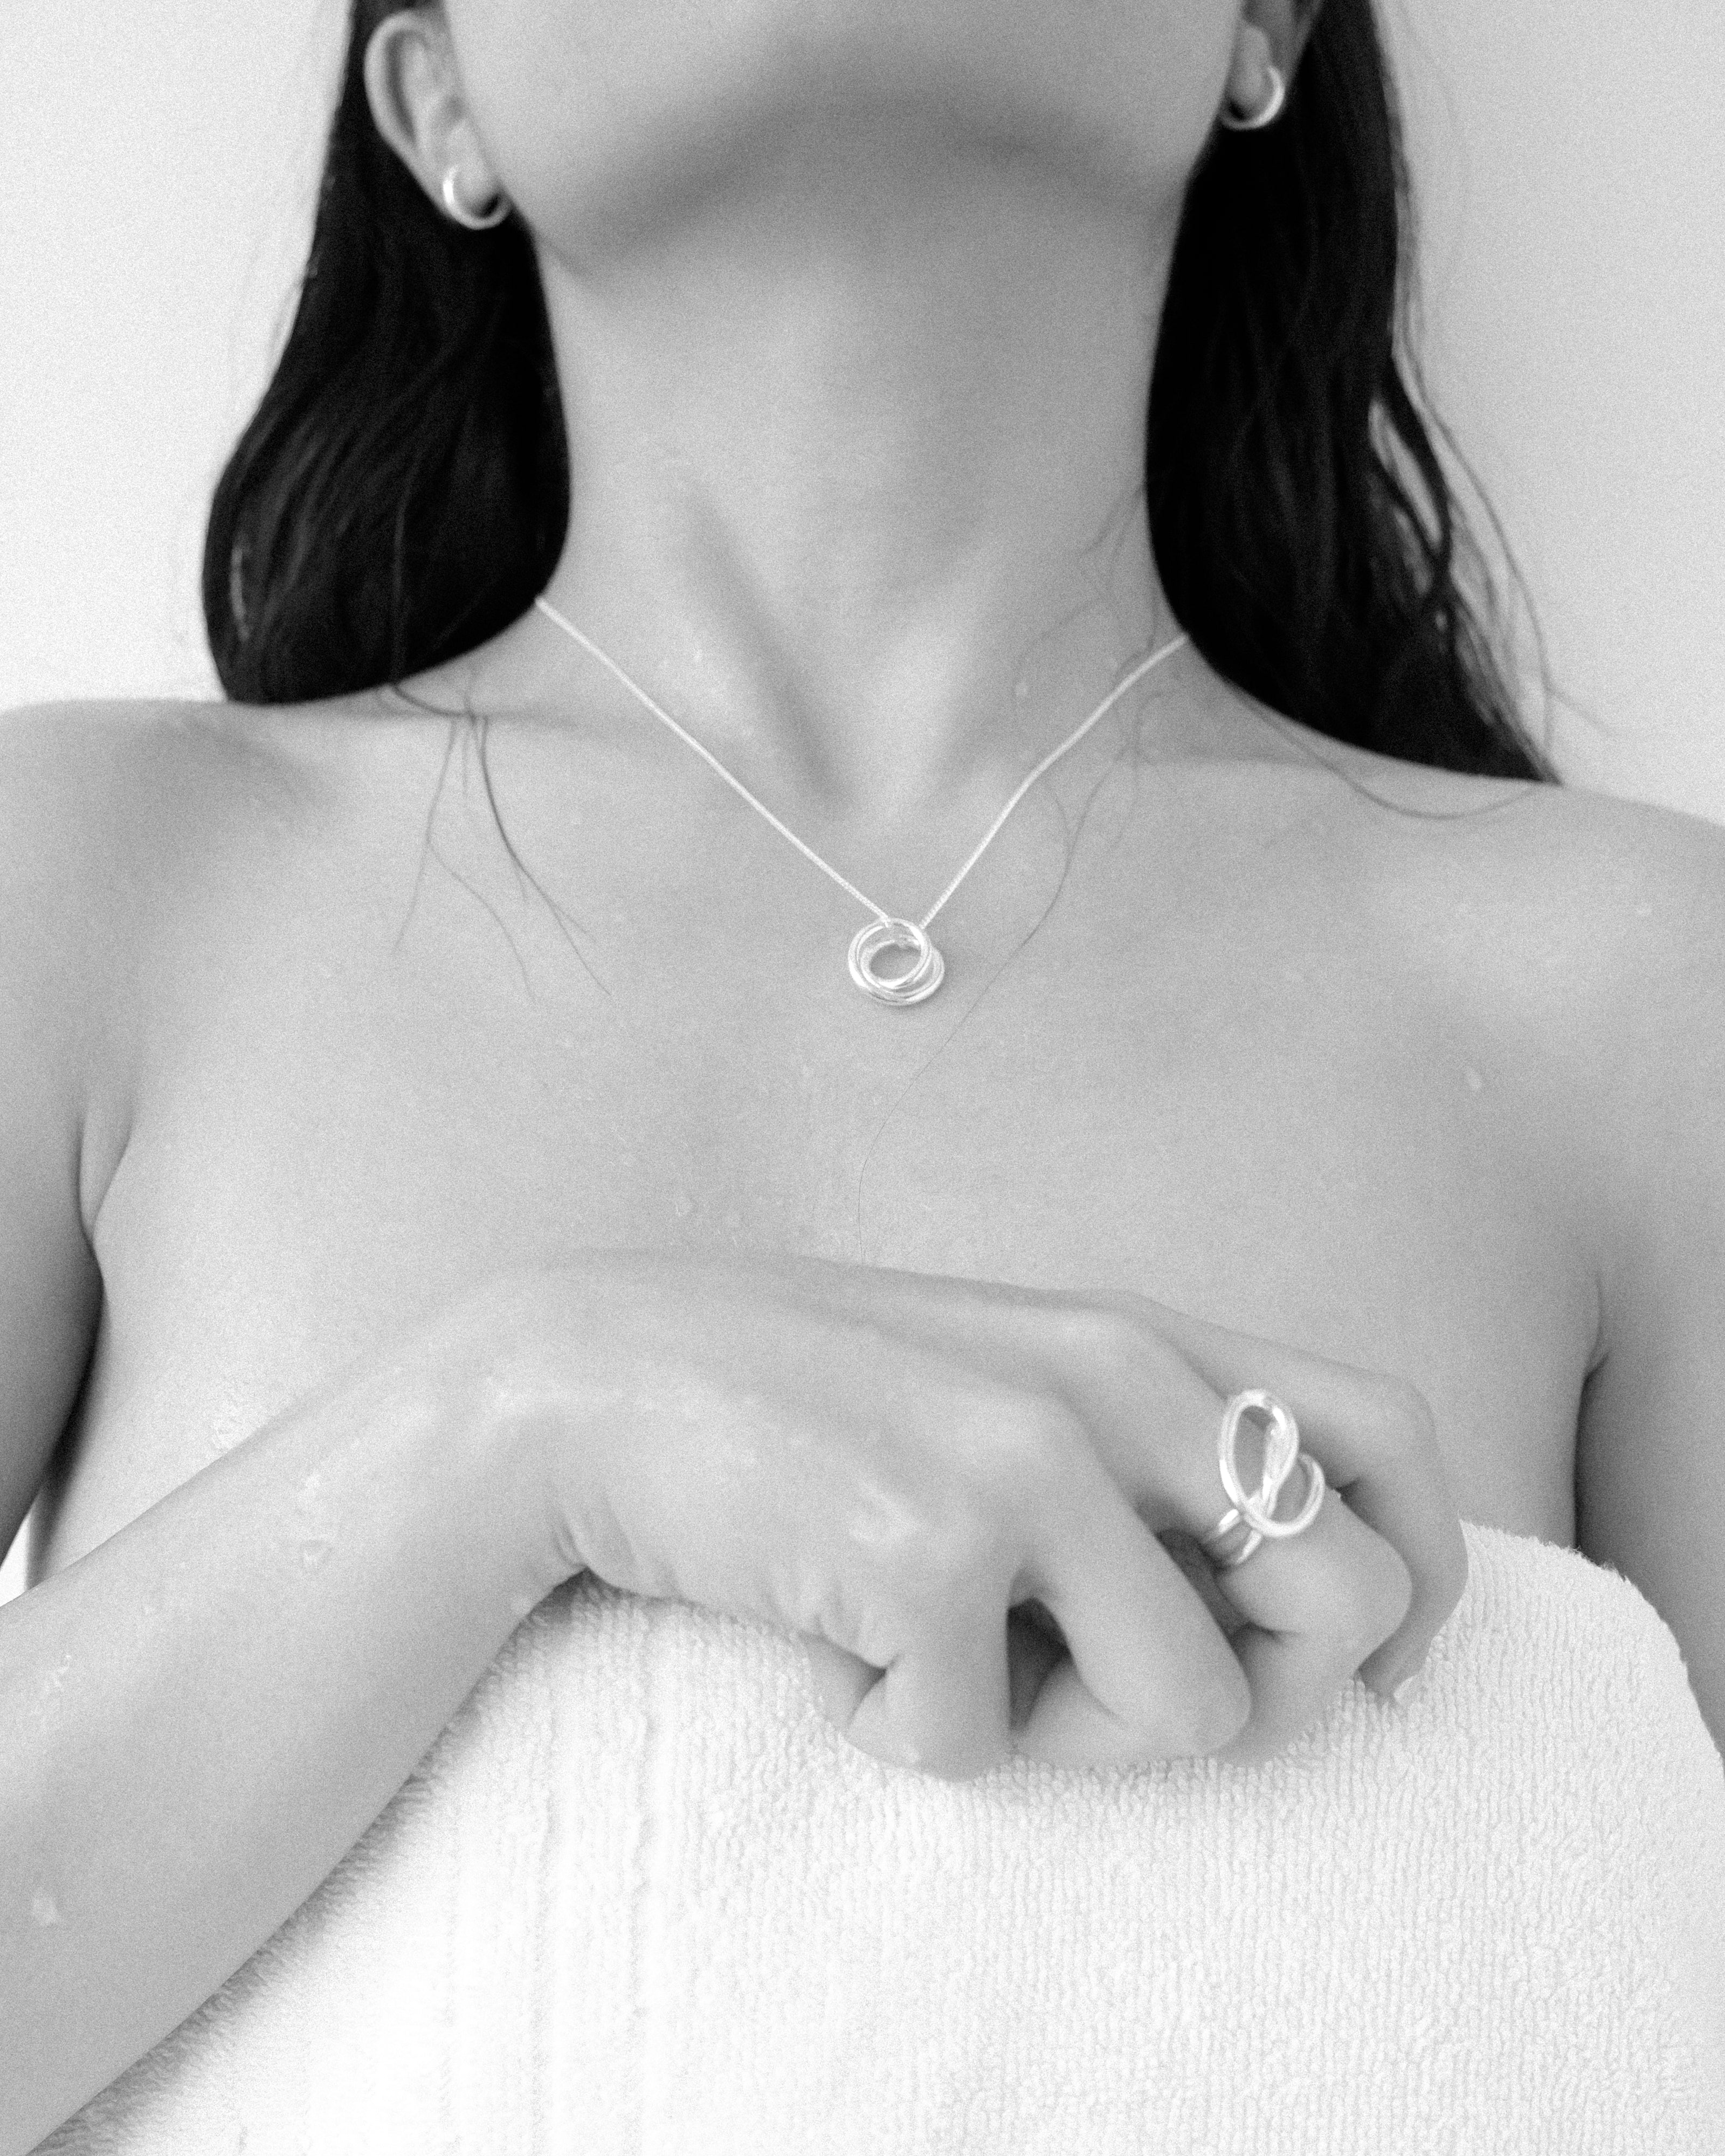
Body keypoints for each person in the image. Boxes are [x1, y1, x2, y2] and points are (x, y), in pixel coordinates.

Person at [2, 0, 1720, 2146]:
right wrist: (525, 1427)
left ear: (1257, 27)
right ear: (437, 96)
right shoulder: (72, 886)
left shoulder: (1654, 1002)